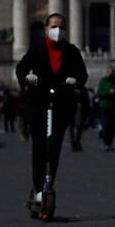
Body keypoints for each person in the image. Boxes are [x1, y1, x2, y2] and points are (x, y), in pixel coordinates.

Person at [15, 12, 88, 209]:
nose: (58, 30)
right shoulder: (37, 48)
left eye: (61, 27)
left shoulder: (71, 51)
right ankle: (38, 187)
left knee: (54, 146)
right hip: (38, 103)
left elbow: (82, 73)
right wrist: (27, 77)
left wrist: (76, 80)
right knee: (39, 144)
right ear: (46, 29)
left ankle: (49, 184)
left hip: (61, 102)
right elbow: (21, 68)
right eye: (54, 26)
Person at [94, 67, 115, 151]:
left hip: (114, 106)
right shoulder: (103, 81)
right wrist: (108, 92)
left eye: (112, 73)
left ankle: (110, 143)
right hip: (105, 106)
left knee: (113, 126)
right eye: (109, 72)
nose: (111, 74)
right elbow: (99, 93)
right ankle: (106, 143)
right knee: (106, 125)